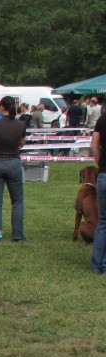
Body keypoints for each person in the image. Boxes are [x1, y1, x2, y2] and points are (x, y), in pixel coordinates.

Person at [0, 95, 27, 243]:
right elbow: (22, 143)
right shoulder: (21, 125)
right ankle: (18, 235)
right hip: (13, 162)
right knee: (17, 201)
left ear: (1, 107)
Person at [89, 105, 106, 274]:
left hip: (104, 174)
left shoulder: (102, 119)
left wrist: (101, 163)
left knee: (102, 222)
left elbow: (94, 145)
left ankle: (96, 265)